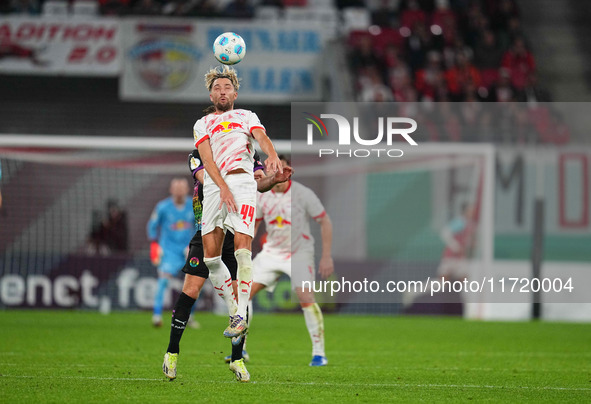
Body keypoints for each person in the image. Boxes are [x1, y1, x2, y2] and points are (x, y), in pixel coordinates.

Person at [162, 148, 291, 382]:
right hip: (208, 232)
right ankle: (172, 352)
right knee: (190, 291)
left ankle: (237, 359)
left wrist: (273, 179)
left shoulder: (249, 153)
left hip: (234, 232)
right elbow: (206, 179)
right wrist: (240, 178)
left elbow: (259, 184)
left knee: (240, 296)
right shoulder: (199, 153)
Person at [247, 155, 334, 367]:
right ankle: (239, 350)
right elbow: (255, 224)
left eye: (281, 168)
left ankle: (319, 353)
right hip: (271, 253)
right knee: (243, 294)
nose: (277, 172)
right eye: (273, 168)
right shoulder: (262, 195)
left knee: (306, 297)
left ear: (288, 170)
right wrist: (245, 251)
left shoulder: (302, 193)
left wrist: (326, 255)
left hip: (299, 253)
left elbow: (324, 220)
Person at [147, 178, 195, 327]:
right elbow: (152, 226)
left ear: (187, 190)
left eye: (182, 189)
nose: (179, 192)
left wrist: (195, 245)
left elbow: (201, 225)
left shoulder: (194, 206)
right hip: (168, 251)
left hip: (188, 250)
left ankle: (189, 317)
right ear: (171, 190)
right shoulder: (162, 207)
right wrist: (155, 245)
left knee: (194, 284)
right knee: (163, 281)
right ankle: (157, 316)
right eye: (177, 188)